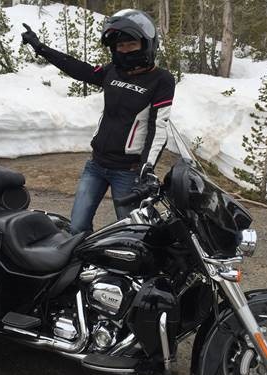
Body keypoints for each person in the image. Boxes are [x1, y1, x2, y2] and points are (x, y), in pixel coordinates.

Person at [21, 9, 175, 233]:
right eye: (120, 46)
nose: (125, 50)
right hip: (96, 165)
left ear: (146, 44)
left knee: (135, 233)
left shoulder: (161, 79)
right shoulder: (113, 71)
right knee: (77, 227)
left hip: (128, 171)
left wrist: (147, 168)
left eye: (131, 44)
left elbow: (158, 127)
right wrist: (40, 48)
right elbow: (78, 68)